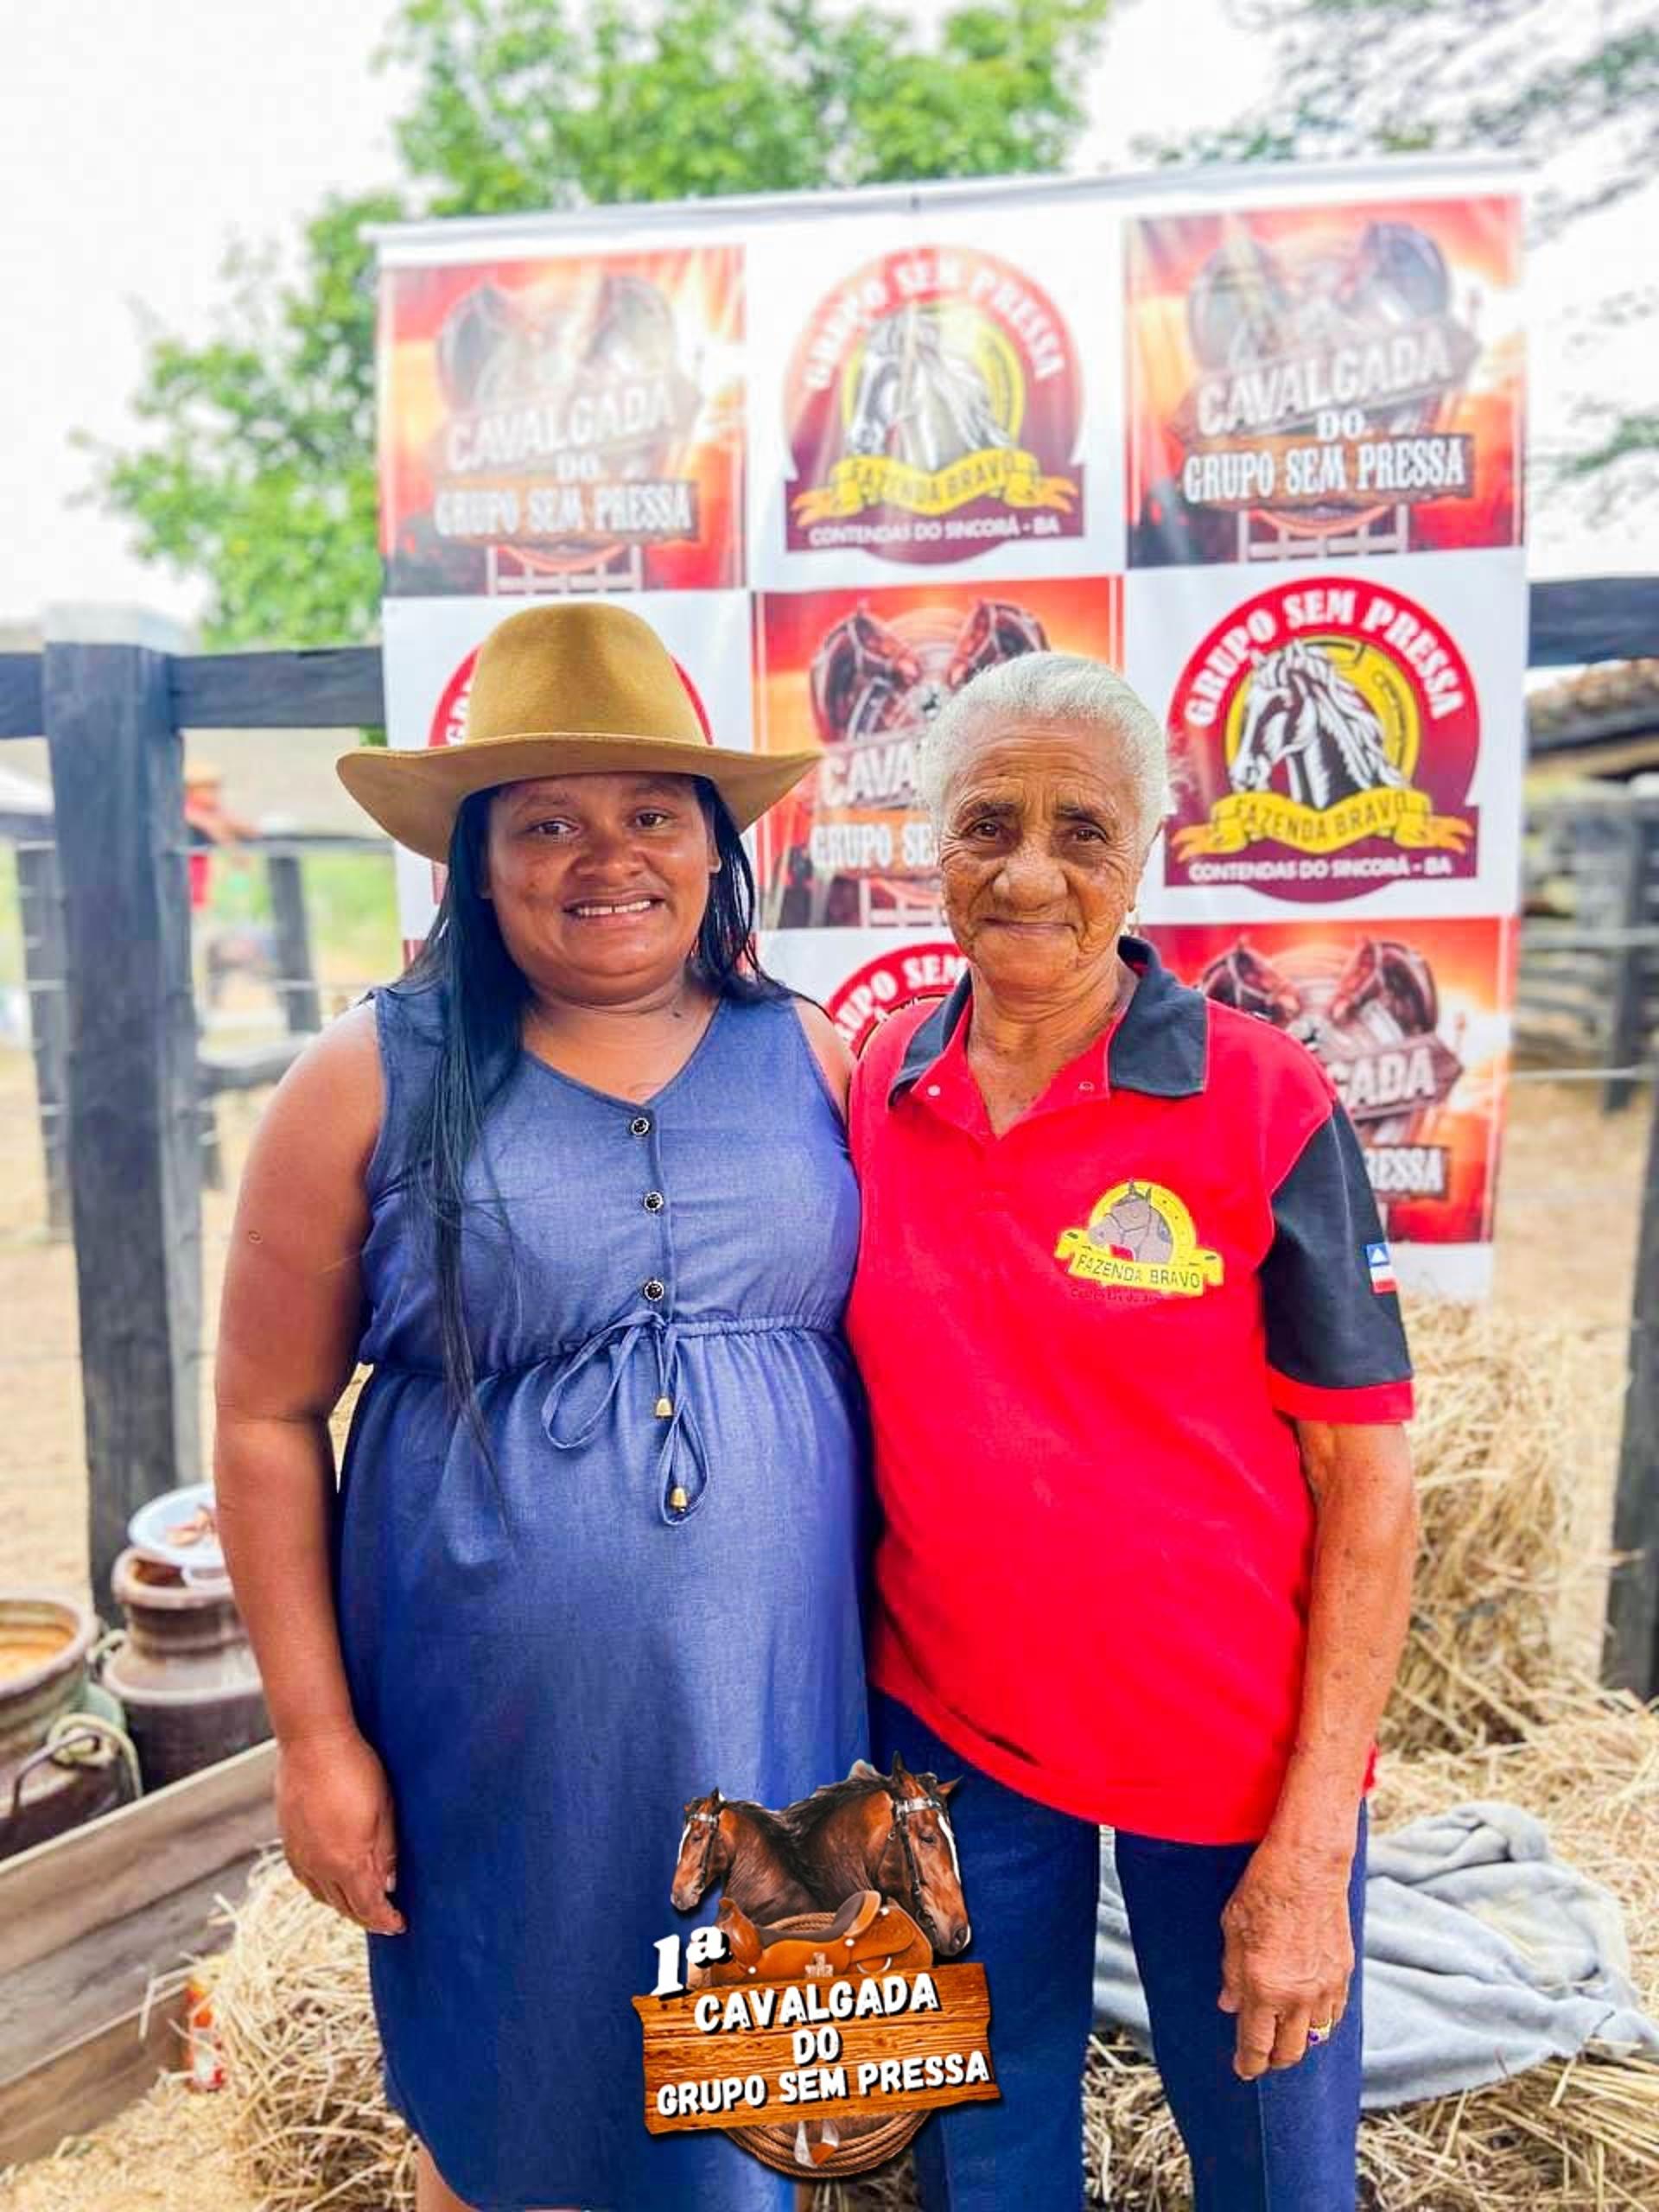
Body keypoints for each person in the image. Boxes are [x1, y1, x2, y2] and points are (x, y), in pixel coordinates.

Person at [213, 602, 868, 2212]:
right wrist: (314, 1741)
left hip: (779, 1705)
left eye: (652, 813)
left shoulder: (818, 1059)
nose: (608, 857)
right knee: (513, 2107)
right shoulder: (367, 1079)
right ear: (476, 859)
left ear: (713, 846)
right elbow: (264, 1417)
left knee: (759, 2119)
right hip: (493, 1730)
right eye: (548, 822)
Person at [846, 652, 1419, 2211]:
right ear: (930, 843)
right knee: (987, 2163)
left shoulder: (1262, 1098)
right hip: (957, 1737)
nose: (1029, 874)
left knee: (1277, 2175)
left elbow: (1370, 1488)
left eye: (1082, 831)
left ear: (1148, 853)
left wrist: (1313, 1844)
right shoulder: (877, 1084)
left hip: (1234, 1764)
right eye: (988, 825)